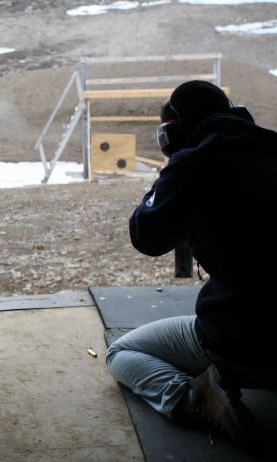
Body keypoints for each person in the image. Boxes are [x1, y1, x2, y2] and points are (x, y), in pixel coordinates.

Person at [106, 80, 277, 450]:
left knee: (121, 353)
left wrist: (173, 169)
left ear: (172, 132)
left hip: (243, 344)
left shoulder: (194, 162)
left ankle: (194, 399)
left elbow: (146, 237)